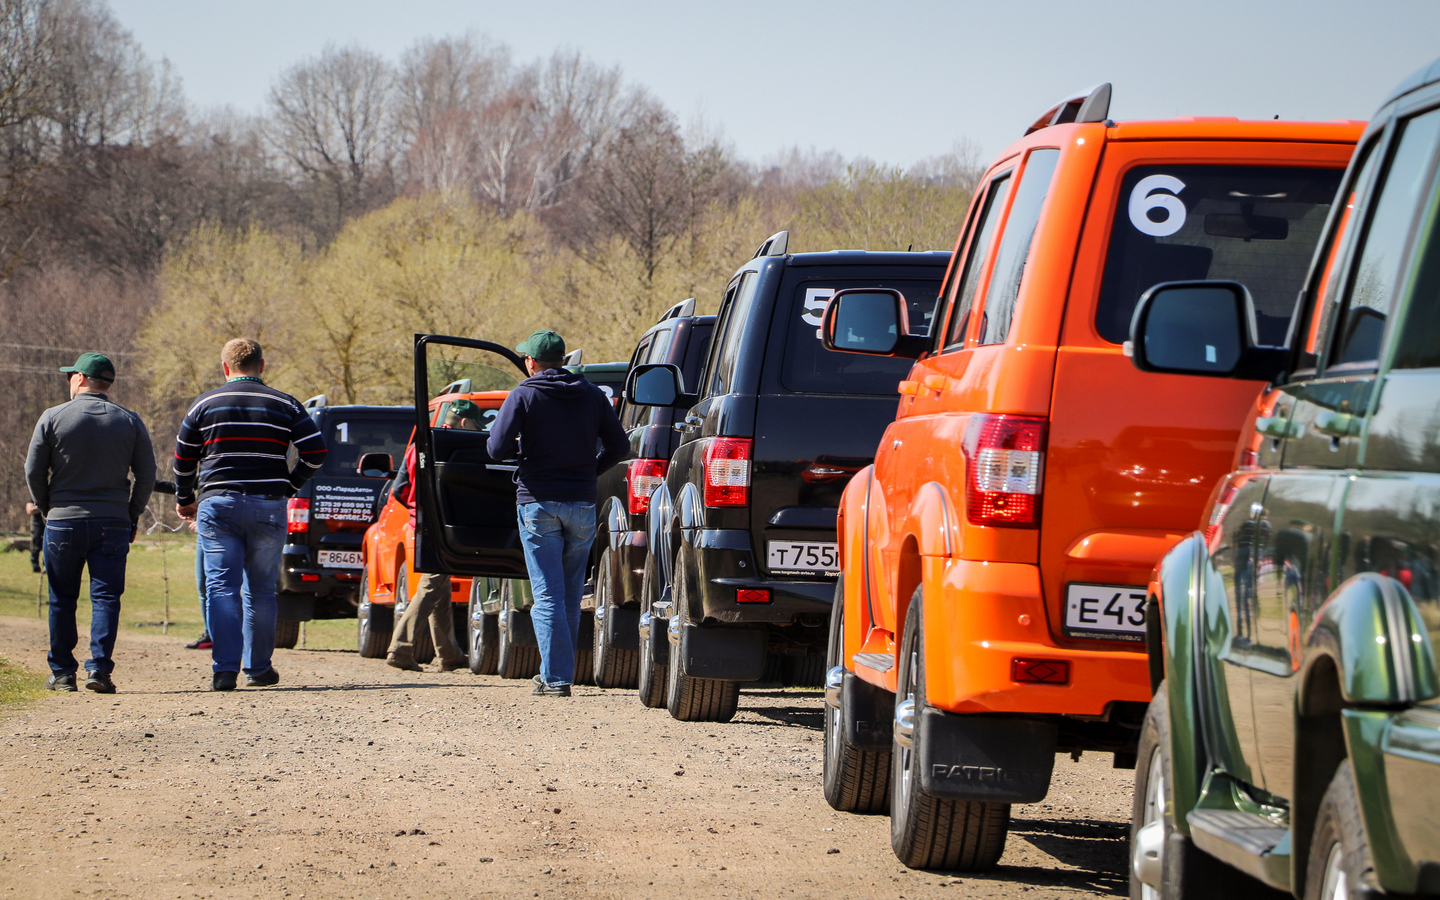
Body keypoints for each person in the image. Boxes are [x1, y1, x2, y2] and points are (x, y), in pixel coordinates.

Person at [173, 339, 327, 692]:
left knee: (221, 588)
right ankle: (258, 668)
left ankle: (224, 670)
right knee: (260, 590)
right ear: (262, 365)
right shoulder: (285, 403)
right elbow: (316, 451)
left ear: (225, 368)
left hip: (219, 504)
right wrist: (290, 485)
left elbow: (183, 459)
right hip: (268, 505)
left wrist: (185, 498)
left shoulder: (205, 404)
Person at [487, 331, 628, 697]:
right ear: (564, 361)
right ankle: (556, 672)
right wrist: (589, 471)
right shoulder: (593, 395)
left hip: (537, 501)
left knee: (547, 594)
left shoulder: (524, 395)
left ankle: (556, 678)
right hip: (581, 503)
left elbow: (496, 448)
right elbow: (620, 445)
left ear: (530, 362)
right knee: (567, 594)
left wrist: (523, 449)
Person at [24, 352, 156, 694]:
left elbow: (33, 470)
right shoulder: (129, 420)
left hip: (63, 520)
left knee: (62, 598)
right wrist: (132, 512)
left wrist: (46, 505)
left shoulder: (53, 417)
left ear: (80, 379)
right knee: (107, 598)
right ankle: (99, 669)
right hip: (112, 521)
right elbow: (146, 475)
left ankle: (63, 672)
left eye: (71, 375)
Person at [385, 400, 481, 673]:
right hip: (444, 525)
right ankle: (400, 648)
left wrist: (418, 512)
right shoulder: (458, 446)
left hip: (421, 523)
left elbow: (400, 491)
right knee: (431, 585)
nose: (476, 429)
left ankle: (449, 654)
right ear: (464, 423)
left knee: (440, 585)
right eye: (475, 424)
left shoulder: (419, 446)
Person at [24, 502, 43, 573]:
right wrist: (43, 507)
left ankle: (46, 566)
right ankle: (35, 566)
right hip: (38, 525)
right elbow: (30, 510)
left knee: (49, 546)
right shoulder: (33, 497)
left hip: (49, 523)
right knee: (36, 546)